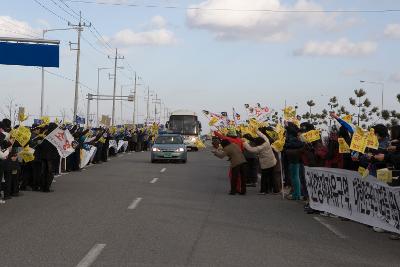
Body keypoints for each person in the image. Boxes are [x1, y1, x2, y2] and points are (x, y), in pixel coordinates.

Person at [243, 130, 277, 194]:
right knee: (272, 176)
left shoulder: (260, 147)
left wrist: (244, 143)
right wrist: (256, 131)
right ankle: (274, 190)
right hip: (272, 161)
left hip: (266, 164)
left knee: (264, 177)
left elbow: (251, 149)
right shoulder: (267, 142)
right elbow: (263, 136)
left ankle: (264, 190)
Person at [284, 123, 304, 200]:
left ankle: (297, 195)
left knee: (295, 177)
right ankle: (295, 193)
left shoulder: (294, 139)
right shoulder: (294, 137)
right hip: (293, 159)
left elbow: (292, 145)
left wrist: (285, 145)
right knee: (294, 177)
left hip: (294, 159)